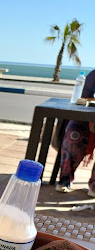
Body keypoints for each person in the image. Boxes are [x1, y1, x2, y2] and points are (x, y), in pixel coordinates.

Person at [56, 68, 95, 197]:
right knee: (73, 132)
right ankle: (65, 179)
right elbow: (83, 98)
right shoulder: (93, 75)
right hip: (89, 117)